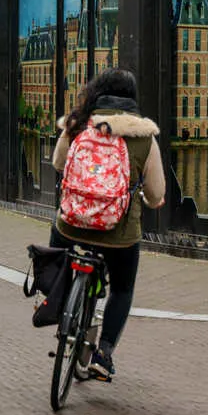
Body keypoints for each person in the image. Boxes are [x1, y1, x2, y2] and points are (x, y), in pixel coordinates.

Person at [49, 68, 165, 382]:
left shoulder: (78, 123)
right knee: (123, 288)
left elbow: (58, 164)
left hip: (73, 224)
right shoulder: (144, 136)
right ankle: (104, 353)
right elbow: (155, 192)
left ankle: (55, 302)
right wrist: (153, 201)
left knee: (56, 248)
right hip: (119, 234)